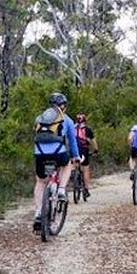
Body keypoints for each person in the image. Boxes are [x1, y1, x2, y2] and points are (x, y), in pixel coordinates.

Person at [32, 92, 81, 231]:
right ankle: (61, 190)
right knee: (66, 165)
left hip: (40, 153)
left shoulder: (39, 118)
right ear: (63, 106)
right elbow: (72, 141)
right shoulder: (67, 120)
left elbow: (36, 135)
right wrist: (75, 156)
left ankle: (38, 212)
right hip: (58, 152)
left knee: (41, 181)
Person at [74, 113, 99, 198]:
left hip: (73, 150)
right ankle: (86, 189)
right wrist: (95, 150)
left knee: (74, 165)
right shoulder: (88, 130)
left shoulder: (72, 128)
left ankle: (74, 178)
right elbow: (93, 142)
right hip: (83, 150)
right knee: (85, 169)